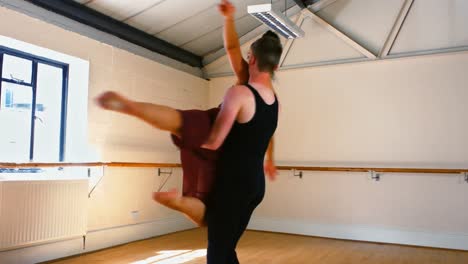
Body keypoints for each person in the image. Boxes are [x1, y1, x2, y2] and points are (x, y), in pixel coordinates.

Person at [96, 0, 278, 229]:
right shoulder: (269, 100)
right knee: (207, 212)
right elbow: (266, 134)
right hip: (229, 147)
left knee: (179, 121)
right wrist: (269, 160)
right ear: (274, 67)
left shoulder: (245, 75)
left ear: (254, 58)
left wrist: (229, 18)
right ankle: (180, 202)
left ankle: (130, 105)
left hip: (216, 121)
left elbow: (232, 49)